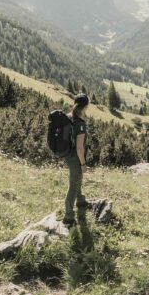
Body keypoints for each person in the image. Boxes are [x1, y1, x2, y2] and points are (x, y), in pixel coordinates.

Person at [63, 93, 90, 225]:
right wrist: (83, 163)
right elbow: (80, 147)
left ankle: (80, 200)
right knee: (73, 184)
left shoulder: (68, 117)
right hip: (74, 156)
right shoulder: (80, 123)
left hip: (67, 154)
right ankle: (68, 216)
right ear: (85, 106)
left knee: (77, 177)